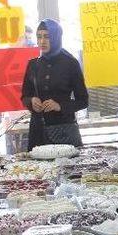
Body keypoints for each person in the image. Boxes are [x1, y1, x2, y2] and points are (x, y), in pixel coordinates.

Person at [21, 19, 88, 151]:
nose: (42, 41)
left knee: (66, 170)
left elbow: (83, 101)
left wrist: (60, 106)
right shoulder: (33, 65)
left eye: (47, 36)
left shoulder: (70, 63)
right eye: (39, 37)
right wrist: (31, 101)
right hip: (38, 131)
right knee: (39, 170)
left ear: (56, 37)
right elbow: (24, 96)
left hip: (64, 132)